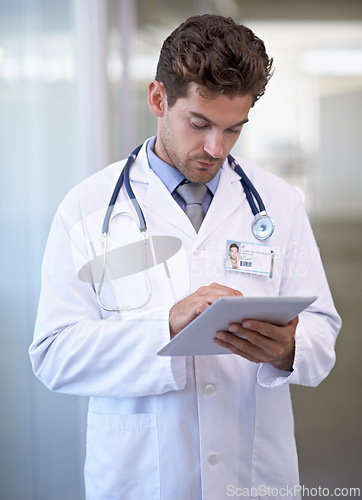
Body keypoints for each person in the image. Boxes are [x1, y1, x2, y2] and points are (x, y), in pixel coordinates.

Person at [29, 14, 341, 500]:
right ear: (158, 99)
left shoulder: (276, 202)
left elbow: (322, 329)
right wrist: (165, 327)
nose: (216, 148)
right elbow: (53, 355)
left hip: (254, 477)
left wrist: (289, 350)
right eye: (200, 124)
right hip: (142, 481)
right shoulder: (87, 209)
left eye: (233, 129)